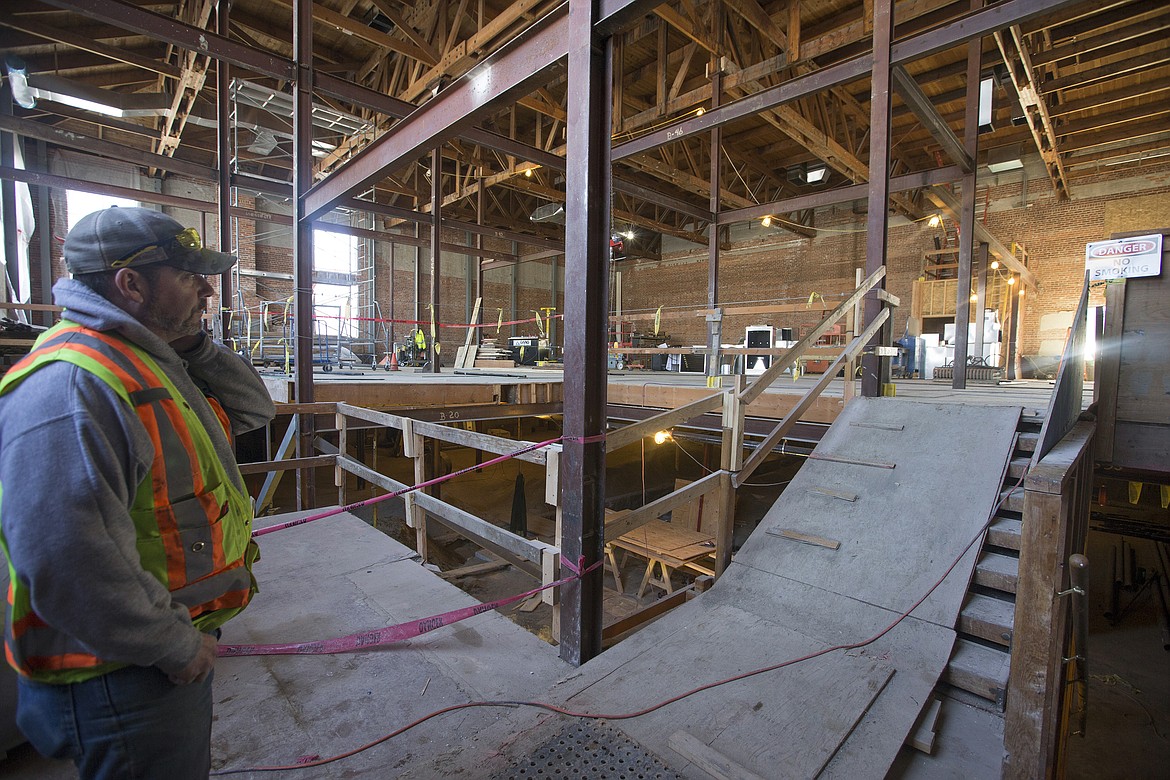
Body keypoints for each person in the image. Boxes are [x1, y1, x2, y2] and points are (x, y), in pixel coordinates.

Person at [0, 206, 276, 778]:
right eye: (188, 276)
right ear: (130, 284)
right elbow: (64, 560)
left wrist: (193, 343)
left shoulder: (146, 358)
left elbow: (254, 409)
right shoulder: (74, 384)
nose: (207, 289)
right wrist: (172, 645)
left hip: (151, 643)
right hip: (119, 669)